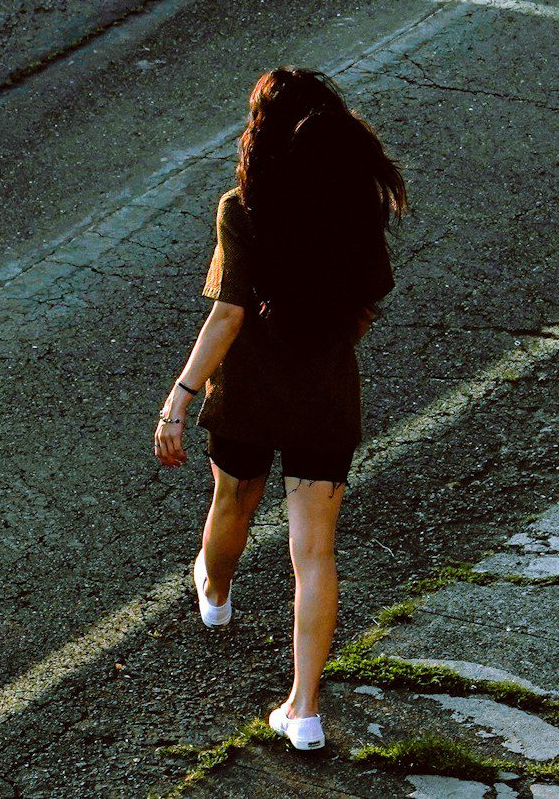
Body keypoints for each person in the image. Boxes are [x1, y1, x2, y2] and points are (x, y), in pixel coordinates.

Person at [153, 66, 407, 752]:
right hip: (325, 398)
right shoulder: (354, 206)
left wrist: (179, 395)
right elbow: (365, 305)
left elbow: (227, 313)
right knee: (315, 551)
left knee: (232, 503)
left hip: (249, 396)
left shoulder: (244, 206)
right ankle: (304, 709)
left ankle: (216, 592)